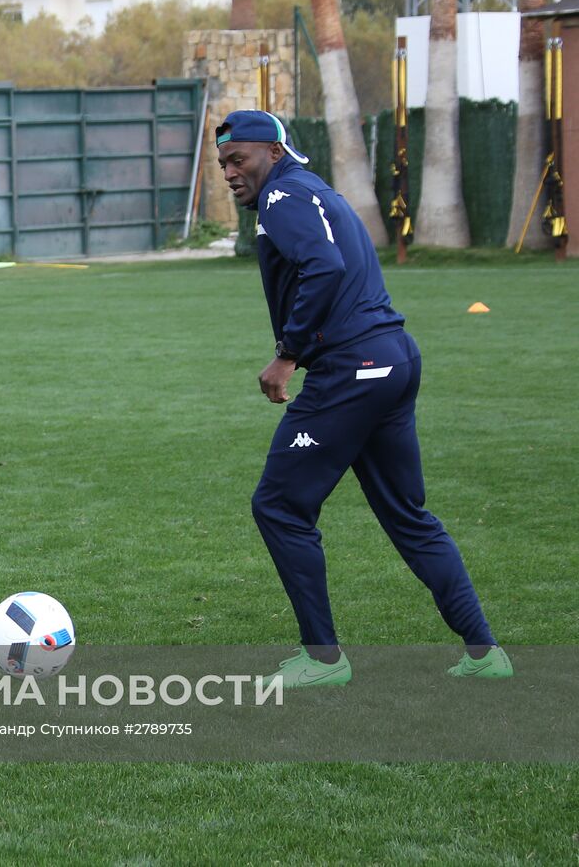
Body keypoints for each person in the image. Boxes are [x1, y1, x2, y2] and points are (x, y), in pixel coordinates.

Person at [215, 109, 511, 688]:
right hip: (394, 358)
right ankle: (484, 653)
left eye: (239, 158)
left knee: (278, 505)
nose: (229, 172)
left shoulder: (283, 199)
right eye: (224, 162)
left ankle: (324, 660)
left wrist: (287, 353)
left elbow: (323, 267)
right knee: (408, 515)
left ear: (274, 152)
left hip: (353, 370)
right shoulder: (311, 191)